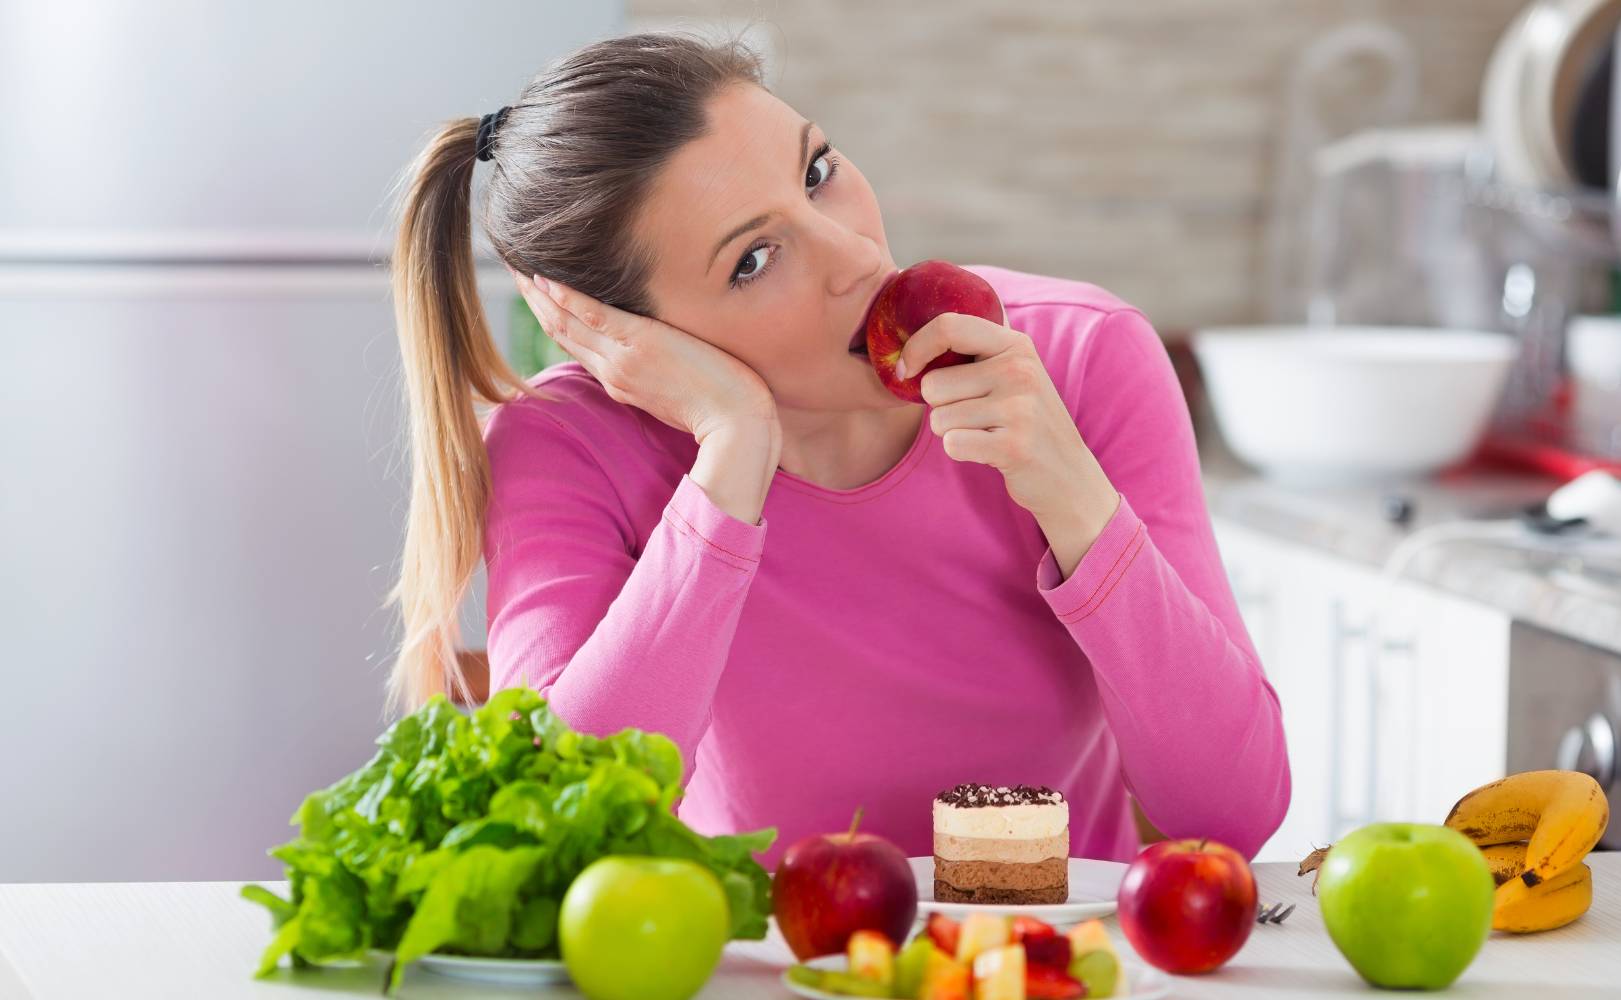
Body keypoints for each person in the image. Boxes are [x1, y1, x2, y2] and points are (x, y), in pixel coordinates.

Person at [387, 31, 1289, 865]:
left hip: (1043, 962)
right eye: (752, 260)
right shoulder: (570, 448)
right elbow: (563, 831)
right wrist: (731, 449)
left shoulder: (1080, 359)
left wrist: (1075, 499)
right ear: (626, 335)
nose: (854, 256)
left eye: (816, 172)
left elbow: (1232, 815)